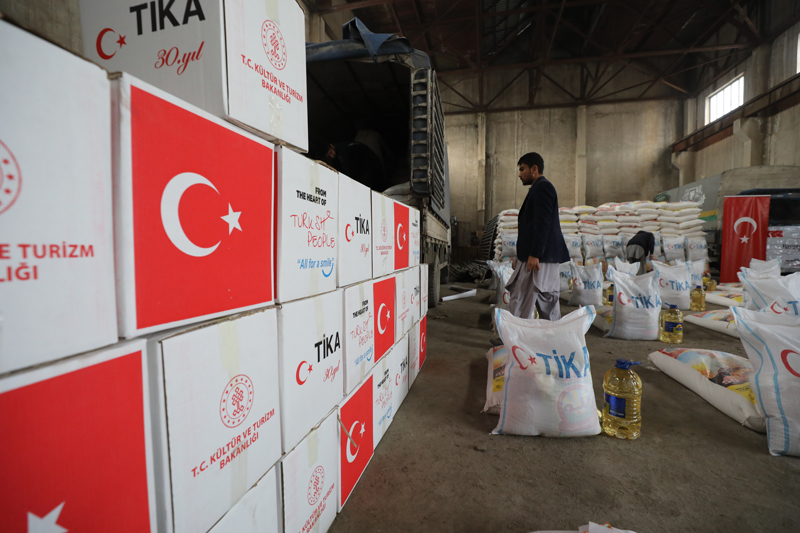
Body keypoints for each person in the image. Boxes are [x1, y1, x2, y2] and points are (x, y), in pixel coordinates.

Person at [499, 153, 570, 329]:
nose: (519, 174)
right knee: (546, 301)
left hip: (539, 258)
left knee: (522, 298)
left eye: (522, 169)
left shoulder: (543, 188)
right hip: (542, 257)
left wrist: (534, 254)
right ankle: (553, 336)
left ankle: (515, 337)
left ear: (534, 169)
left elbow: (543, 223)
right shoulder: (539, 188)